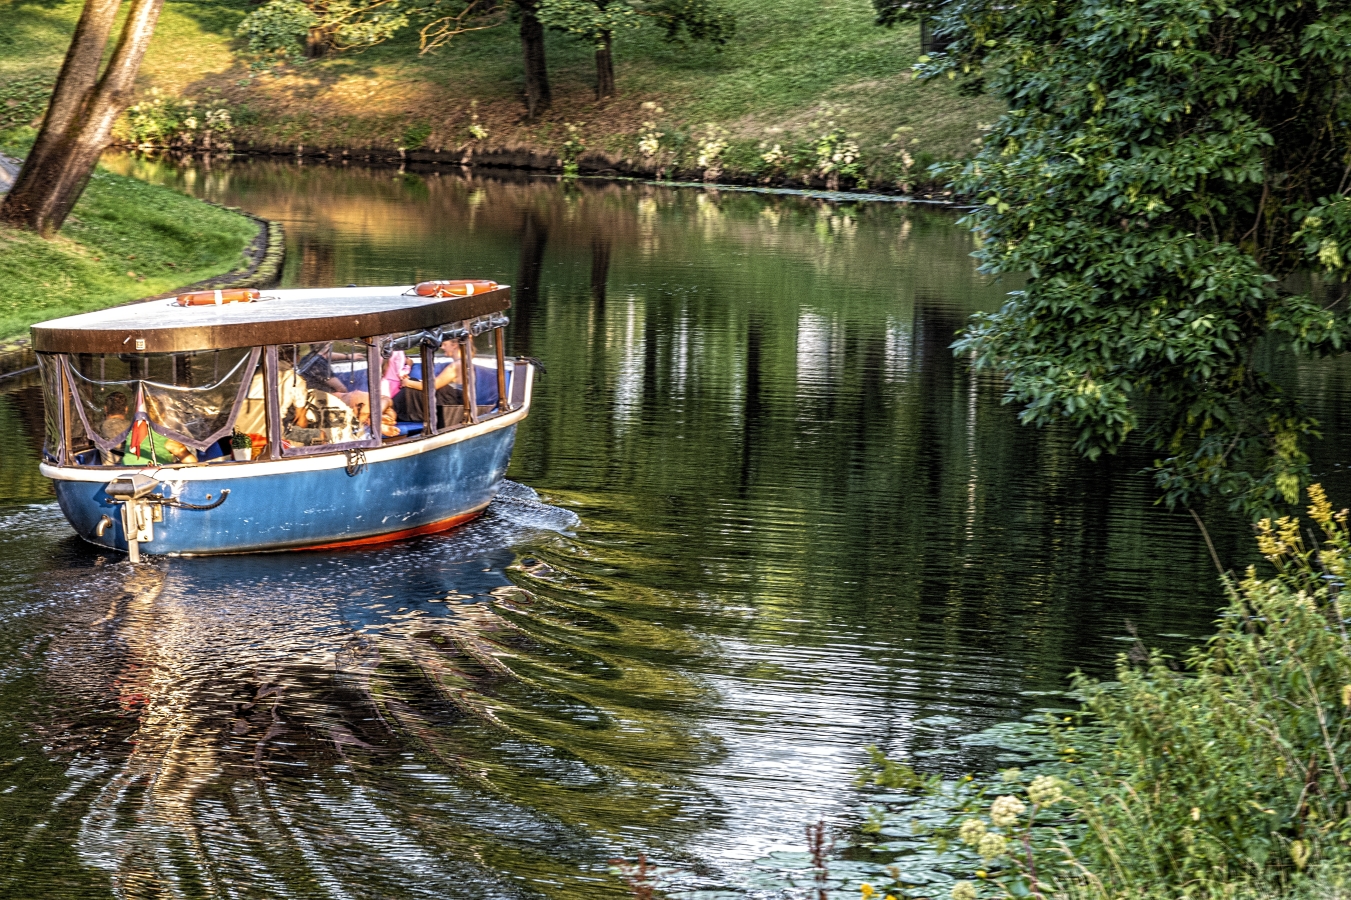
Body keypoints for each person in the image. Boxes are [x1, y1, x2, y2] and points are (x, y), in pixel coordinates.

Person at [235, 346, 308, 440]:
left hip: (243, 432)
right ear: (297, 357)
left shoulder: (254, 372)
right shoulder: (295, 380)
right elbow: (301, 423)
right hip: (274, 434)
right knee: (319, 434)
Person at [393, 340, 464, 425]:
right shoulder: (460, 363)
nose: (442, 347)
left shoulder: (456, 365)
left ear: (454, 345)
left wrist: (407, 382)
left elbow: (432, 386)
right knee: (413, 383)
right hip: (447, 398)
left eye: (445, 344)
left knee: (408, 391)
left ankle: (390, 413)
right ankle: (390, 413)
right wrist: (411, 381)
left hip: (448, 404)